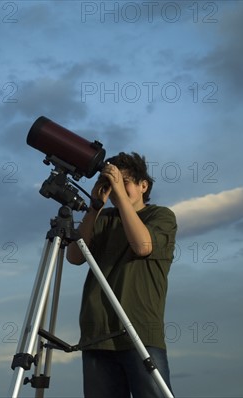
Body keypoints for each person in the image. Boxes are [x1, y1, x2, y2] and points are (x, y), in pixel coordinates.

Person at [66, 152, 177, 398]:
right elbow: (74, 257)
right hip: (97, 334)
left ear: (143, 185)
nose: (116, 188)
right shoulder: (103, 219)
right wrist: (95, 207)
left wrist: (121, 197)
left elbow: (142, 246)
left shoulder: (160, 216)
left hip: (140, 331)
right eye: (111, 181)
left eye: (124, 181)